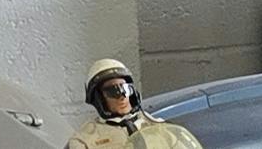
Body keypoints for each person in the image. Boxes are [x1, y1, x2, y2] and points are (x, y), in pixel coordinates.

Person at [66, 61, 201, 149]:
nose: (122, 96)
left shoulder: (161, 128)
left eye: (125, 89)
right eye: (113, 91)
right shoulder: (85, 140)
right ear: (98, 98)